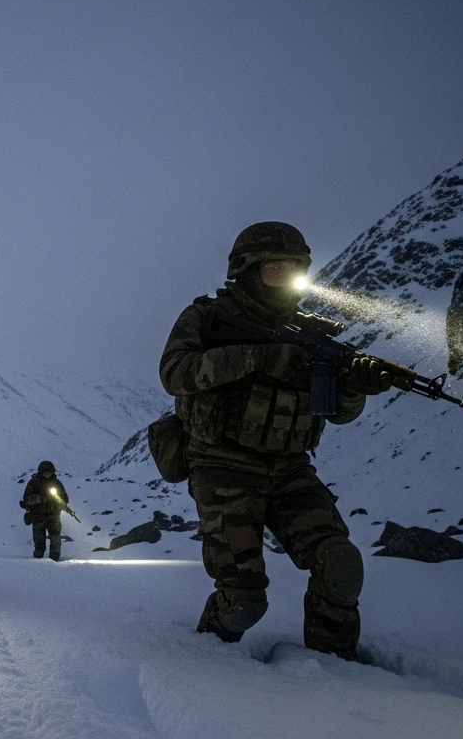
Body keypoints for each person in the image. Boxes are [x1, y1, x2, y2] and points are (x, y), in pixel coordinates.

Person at [158, 221, 392, 661]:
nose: (285, 279)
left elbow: (339, 414)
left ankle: (336, 676)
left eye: (294, 269)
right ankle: (204, 666)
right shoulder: (207, 318)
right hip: (221, 463)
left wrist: (356, 385)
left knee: (339, 563)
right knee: (243, 598)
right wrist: (258, 357)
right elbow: (176, 373)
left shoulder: (314, 336)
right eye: (274, 269)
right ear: (246, 270)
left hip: (289, 468)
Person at [19, 460, 69, 561]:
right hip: (38, 517)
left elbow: (65, 499)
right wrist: (41, 497)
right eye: (45, 471)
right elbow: (27, 499)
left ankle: (54, 562)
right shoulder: (34, 483)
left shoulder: (57, 483)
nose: (47, 473)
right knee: (39, 543)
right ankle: (38, 564)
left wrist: (58, 502)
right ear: (41, 471)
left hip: (53, 517)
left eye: (49, 471)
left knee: (55, 540)